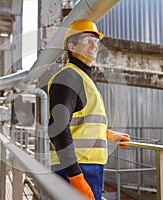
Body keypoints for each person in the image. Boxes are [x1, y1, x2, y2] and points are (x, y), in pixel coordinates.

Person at [47, 19, 131, 200]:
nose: (93, 45)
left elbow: (81, 121)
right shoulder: (69, 77)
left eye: (96, 41)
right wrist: (76, 178)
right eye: (86, 40)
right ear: (72, 46)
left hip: (85, 166)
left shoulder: (83, 78)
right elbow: (58, 130)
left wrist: (109, 135)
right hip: (76, 168)